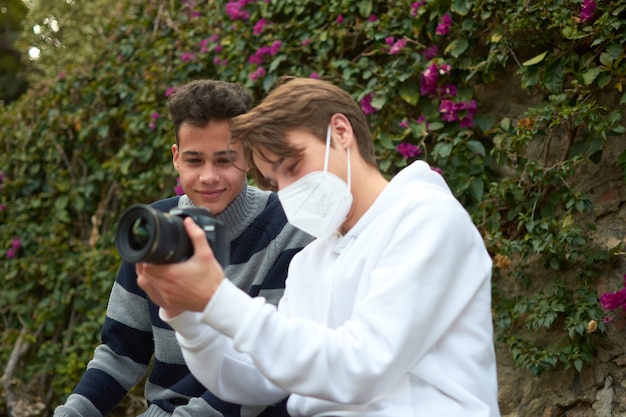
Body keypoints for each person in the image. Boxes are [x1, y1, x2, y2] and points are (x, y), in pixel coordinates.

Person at [136, 77, 501, 417]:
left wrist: (218, 298)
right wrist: (187, 312)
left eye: (293, 166)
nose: (288, 189)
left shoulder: (425, 218)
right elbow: (252, 378)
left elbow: (362, 365)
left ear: (340, 132)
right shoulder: (311, 260)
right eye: (276, 181)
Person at [54, 79, 313, 417]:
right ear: (176, 158)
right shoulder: (154, 225)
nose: (208, 177)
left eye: (224, 161)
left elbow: (270, 371)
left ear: (249, 155)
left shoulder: (289, 229)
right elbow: (120, 353)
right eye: (194, 160)